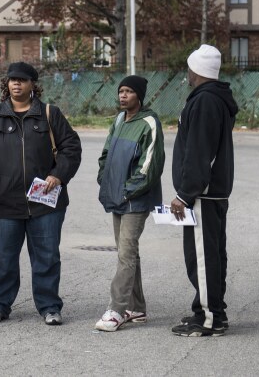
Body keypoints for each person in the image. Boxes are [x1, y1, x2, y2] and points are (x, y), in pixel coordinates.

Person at [0, 62, 82, 326]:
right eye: (12, 80)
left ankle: (49, 307)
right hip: (3, 203)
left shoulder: (49, 114)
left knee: (46, 256)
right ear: (6, 84)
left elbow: (71, 148)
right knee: (3, 257)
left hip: (44, 203)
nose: (16, 84)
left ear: (33, 84)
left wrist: (58, 176)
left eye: (22, 80)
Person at [168, 44, 238, 337]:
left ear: (196, 70)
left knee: (203, 257)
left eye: (189, 68)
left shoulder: (205, 101)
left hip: (202, 195)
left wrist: (185, 194)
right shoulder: (211, 98)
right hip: (210, 193)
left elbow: (201, 152)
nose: (187, 73)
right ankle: (208, 311)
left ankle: (209, 319)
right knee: (210, 255)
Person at [94, 75, 165, 332]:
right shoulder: (118, 120)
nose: (123, 96)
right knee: (129, 254)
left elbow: (150, 167)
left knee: (125, 253)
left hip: (136, 200)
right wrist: (106, 181)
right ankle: (137, 308)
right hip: (117, 196)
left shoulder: (149, 123)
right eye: (121, 91)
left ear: (139, 96)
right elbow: (106, 155)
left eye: (129, 92)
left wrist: (126, 191)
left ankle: (116, 310)